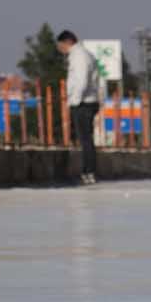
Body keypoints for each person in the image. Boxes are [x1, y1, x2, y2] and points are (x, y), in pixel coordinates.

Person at [57, 30, 101, 185]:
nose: (60, 49)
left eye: (60, 45)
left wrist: (74, 101)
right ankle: (88, 171)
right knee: (85, 138)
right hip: (86, 101)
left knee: (85, 139)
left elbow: (81, 81)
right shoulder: (81, 55)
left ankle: (88, 172)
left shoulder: (79, 56)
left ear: (67, 42)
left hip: (83, 102)